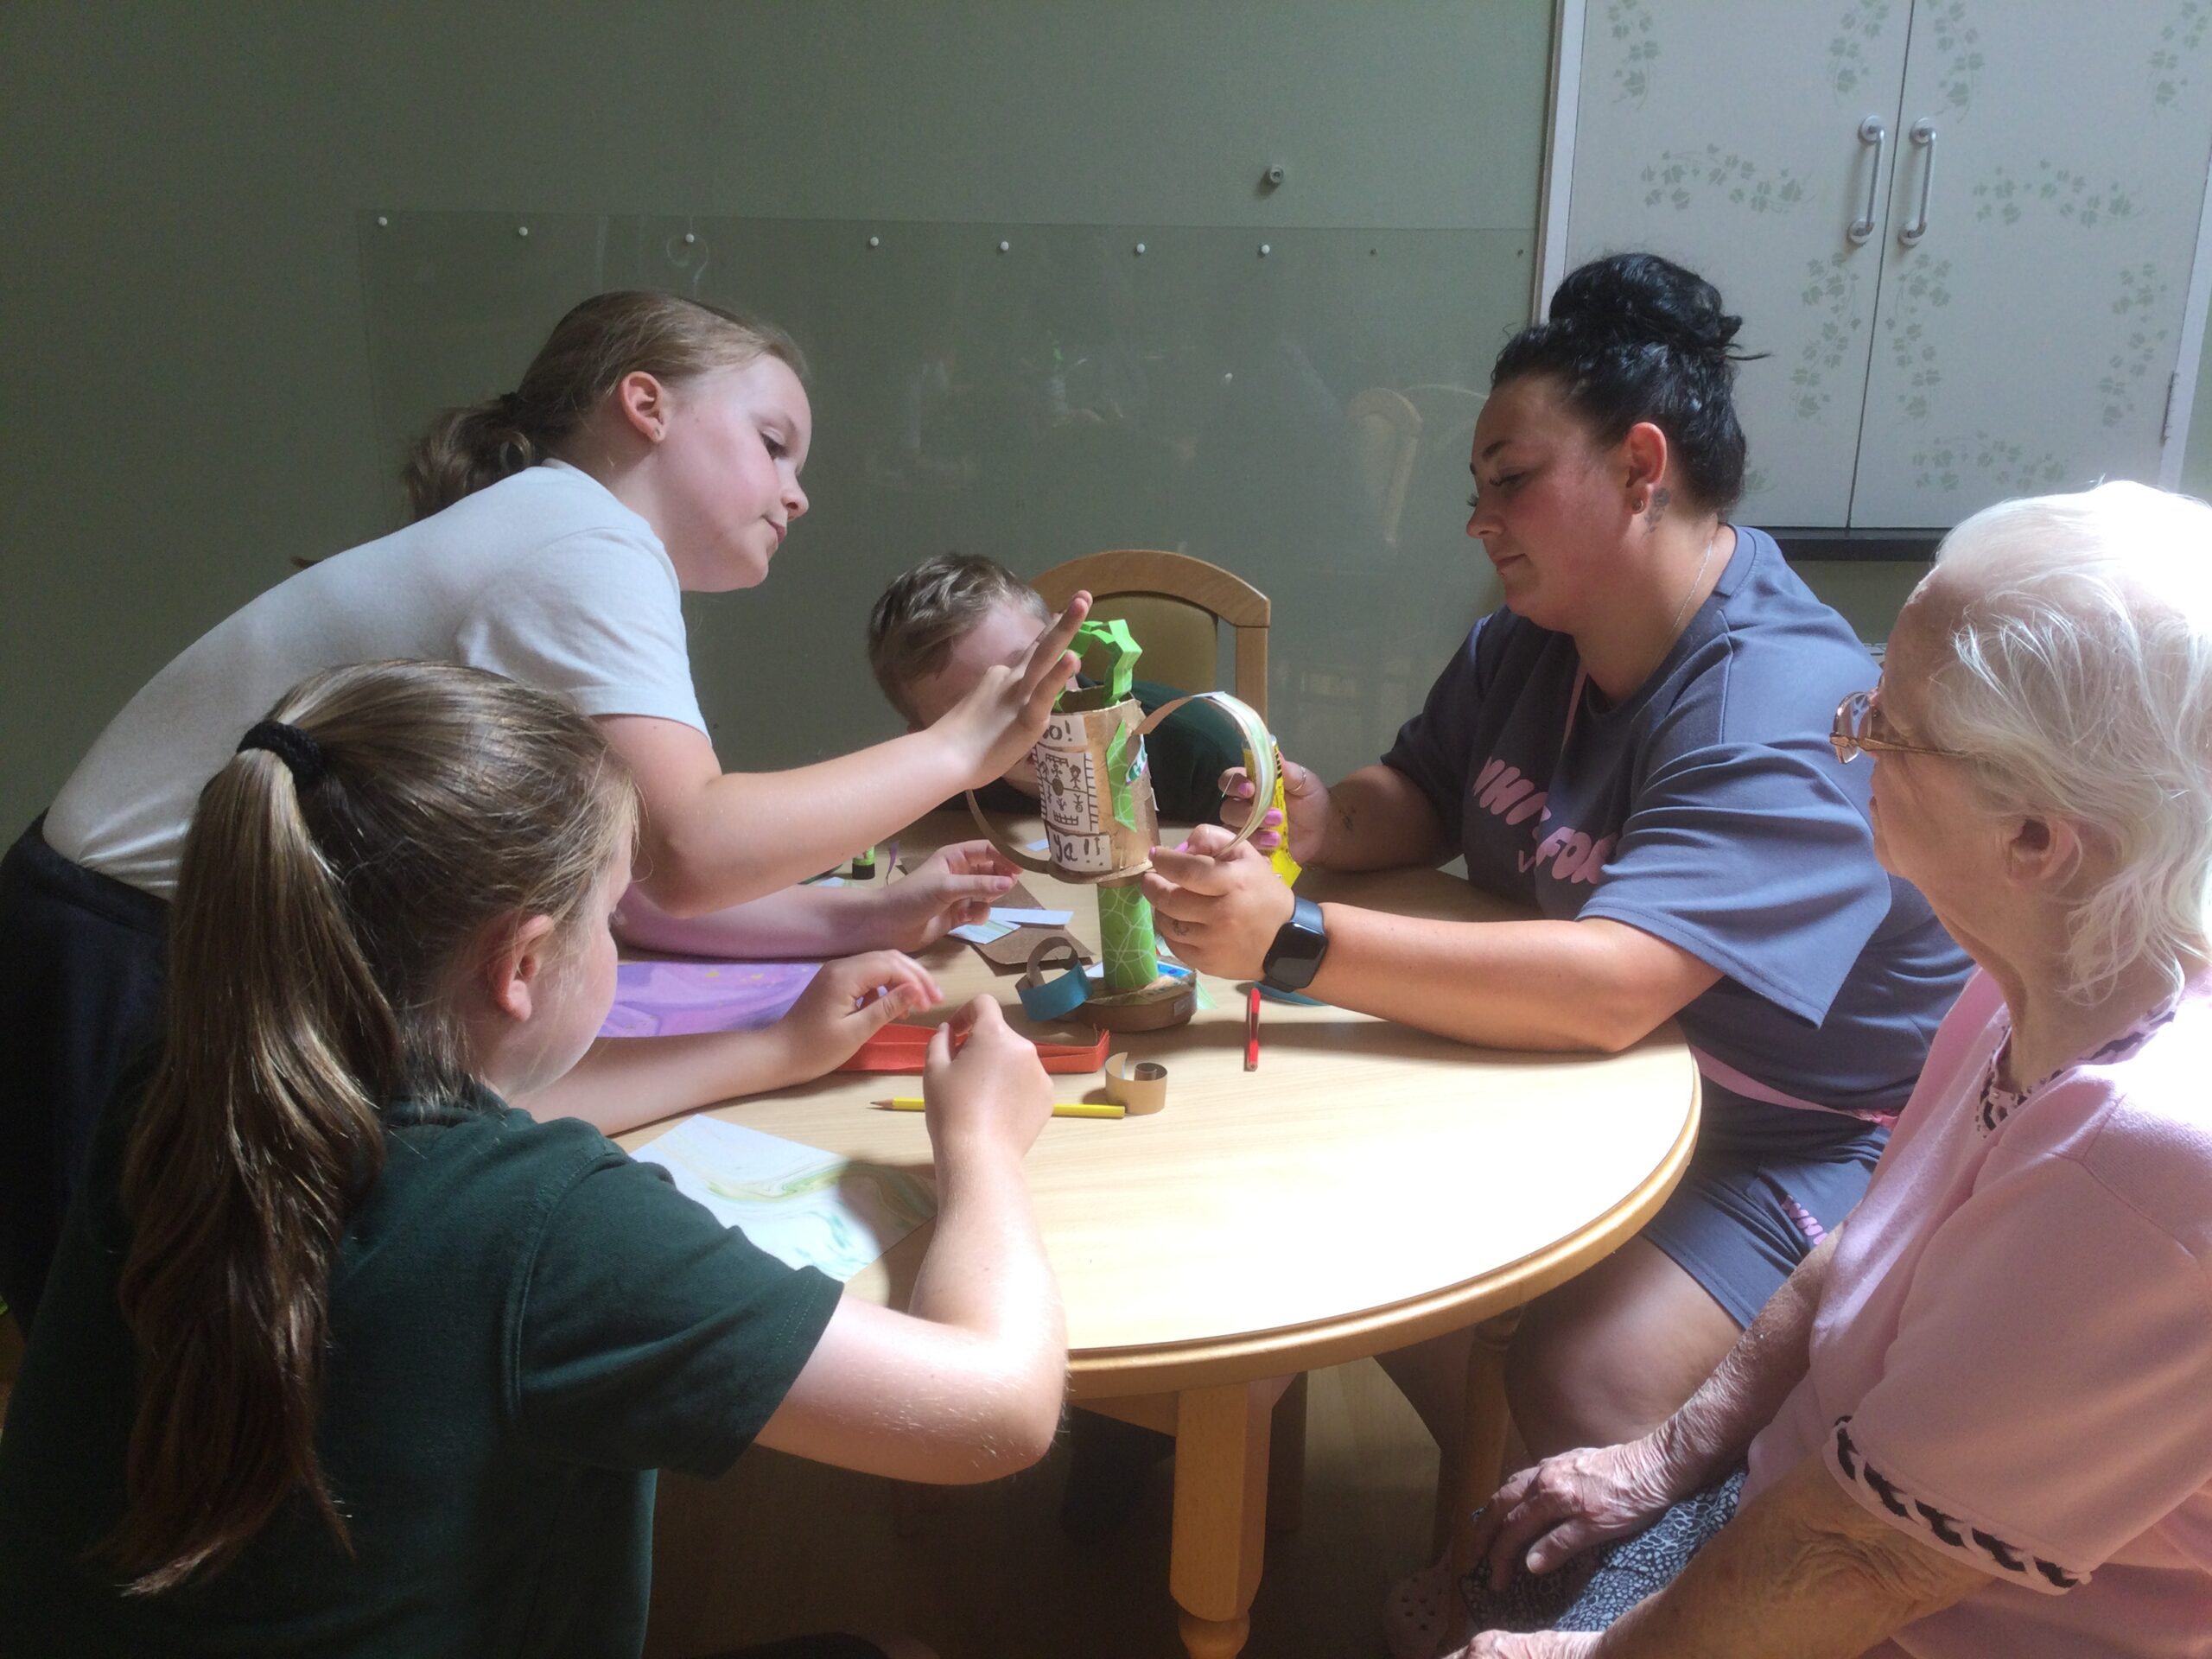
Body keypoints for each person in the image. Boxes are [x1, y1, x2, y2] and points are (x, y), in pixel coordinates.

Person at [0, 289, 1091, 1327]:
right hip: (127, 974)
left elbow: (634, 898)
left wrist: (865, 917)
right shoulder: (581, 538)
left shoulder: (547, 537)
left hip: (119, 947)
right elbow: (693, 850)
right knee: (154, 1409)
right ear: (645, 403)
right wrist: (954, 749)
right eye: (772, 442)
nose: (797, 492)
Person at [0, 661, 1068, 1659]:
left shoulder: (183, 1083)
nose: (613, 942)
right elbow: (998, 1411)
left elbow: (498, 1089)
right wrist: (981, 1145)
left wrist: (777, 1048)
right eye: (607, 920)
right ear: (519, 964)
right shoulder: (553, 1231)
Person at [1142, 254, 1971, 1488]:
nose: (1478, 521)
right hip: (1620, 1085)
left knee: (1589, 1377)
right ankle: (1503, 1525)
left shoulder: (1784, 702)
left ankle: (1632, 1577)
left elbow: (1609, 987)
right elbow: (1415, 797)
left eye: (1511, 482)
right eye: (1478, 489)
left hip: (1811, 1134)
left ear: (1643, 468)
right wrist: (1316, 818)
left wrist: (1293, 939)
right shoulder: (1528, 644)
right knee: (1336, 1221)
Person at [1447, 480, 2212, 1657]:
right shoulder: (2032, 974)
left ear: (2034, 839)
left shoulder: (2142, 1164)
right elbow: (1850, 1264)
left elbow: (1858, 1557)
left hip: (1898, 1611)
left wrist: (1586, 1655)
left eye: (1887, 727)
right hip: (1799, 1499)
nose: (1845, 739)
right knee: (1505, 1561)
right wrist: (1655, 1461)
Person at [866, 552, 1244, 825]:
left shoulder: (1201, 753)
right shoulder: (929, 793)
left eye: (1031, 667)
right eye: (976, 706)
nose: (1029, 706)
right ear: (926, 739)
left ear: (1066, 643)